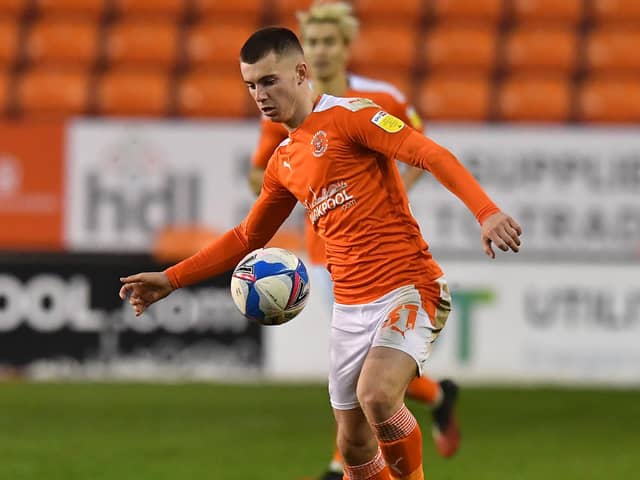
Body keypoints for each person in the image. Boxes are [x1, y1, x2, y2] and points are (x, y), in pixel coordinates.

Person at [119, 27, 521, 480]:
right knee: (352, 445)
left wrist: (485, 212)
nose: (260, 95)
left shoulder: (353, 117)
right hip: (350, 309)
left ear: (301, 72)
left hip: (407, 288)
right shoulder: (284, 160)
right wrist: (170, 279)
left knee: (377, 397)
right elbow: (248, 236)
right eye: (251, 85)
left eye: (269, 81)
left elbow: (428, 153)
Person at [248, 3, 460, 478]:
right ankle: (438, 396)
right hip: (326, 259)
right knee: (361, 377)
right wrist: (270, 186)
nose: (322, 50)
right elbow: (263, 170)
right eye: (314, 41)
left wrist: (384, 190)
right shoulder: (280, 104)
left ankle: (341, 461)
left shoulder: (378, 99)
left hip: (386, 256)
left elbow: (416, 148)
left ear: (344, 47)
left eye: (329, 42)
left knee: (374, 387)